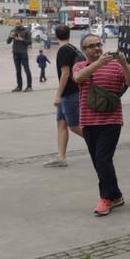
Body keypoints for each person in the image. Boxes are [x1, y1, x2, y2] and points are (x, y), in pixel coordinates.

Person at [73, 33, 130, 216]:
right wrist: (99, 63)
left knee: (102, 159)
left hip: (111, 121)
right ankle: (116, 195)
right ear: (84, 50)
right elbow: (77, 79)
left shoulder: (116, 66)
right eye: (91, 46)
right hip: (88, 122)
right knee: (100, 162)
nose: (97, 48)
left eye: (98, 44)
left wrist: (124, 63)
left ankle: (106, 198)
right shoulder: (80, 65)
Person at [46, 25, 85, 168]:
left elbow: (65, 73)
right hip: (72, 92)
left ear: (56, 36)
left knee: (74, 126)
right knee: (61, 124)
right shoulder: (73, 48)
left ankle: (100, 143)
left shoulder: (63, 51)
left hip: (69, 94)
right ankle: (61, 157)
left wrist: (58, 95)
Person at [6, 22, 32, 92]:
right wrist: (10, 37)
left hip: (23, 53)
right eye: (16, 23)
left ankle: (29, 86)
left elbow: (30, 42)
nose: (17, 24)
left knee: (27, 70)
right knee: (18, 71)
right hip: (15, 53)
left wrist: (22, 39)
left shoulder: (26, 31)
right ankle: (19, 87)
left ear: (21, 23)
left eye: (18, 23)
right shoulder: (13, 31)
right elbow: (8, 42)